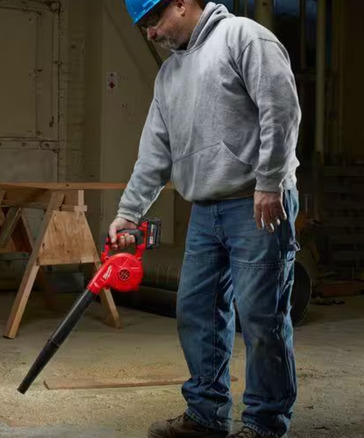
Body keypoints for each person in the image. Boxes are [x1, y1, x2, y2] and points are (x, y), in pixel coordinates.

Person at [110, 1, 301, 437]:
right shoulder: (169, 76)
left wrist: (270, 182)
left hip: (257, 203)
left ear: (181, 3)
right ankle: (206, 415)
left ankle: (266, 424)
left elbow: (281, 109)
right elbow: (155, 153)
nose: (150, 34)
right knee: (196, 310)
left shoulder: (243, 38)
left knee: (261, 316)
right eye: (143, 26)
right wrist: (128, 213)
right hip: (205, 210)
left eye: (152, 21)